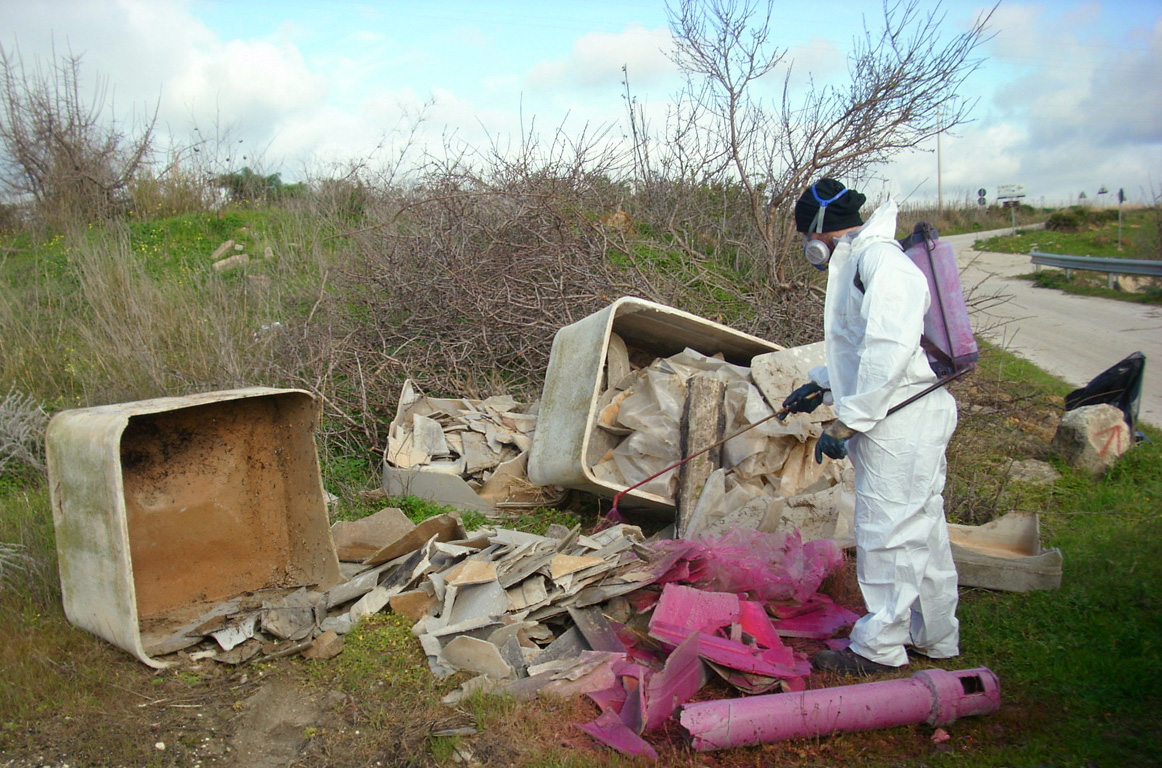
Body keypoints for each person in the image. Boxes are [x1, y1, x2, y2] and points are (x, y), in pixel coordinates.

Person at [781, 178, 961, 675]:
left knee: (889, 531)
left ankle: (880, 648)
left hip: (902, 418)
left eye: (804, 236)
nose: (805, 247)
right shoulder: (859, 260)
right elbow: (857, 343)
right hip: (900, 410)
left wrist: (849, 421)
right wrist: (821, 384)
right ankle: (936, 637)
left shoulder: (881, 262)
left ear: (820, 230)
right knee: (923, 529)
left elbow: (889, 351)